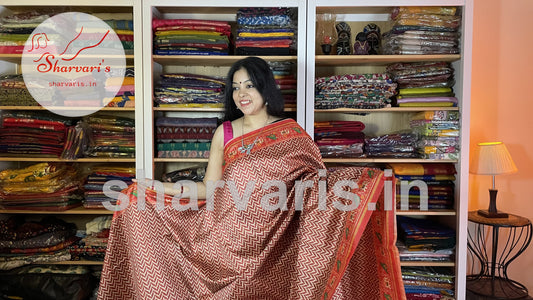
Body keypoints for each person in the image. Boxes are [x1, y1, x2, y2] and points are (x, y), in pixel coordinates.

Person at [98, 57, 405, 300]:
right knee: (138, 207)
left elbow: (315, 186)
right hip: (221, 240)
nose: (241, 94)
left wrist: (362, 182)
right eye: (235, 87)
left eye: (249, 86)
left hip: (275, 247)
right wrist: (156, 186)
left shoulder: (292, 133)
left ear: (265, 88)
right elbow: (209, 188)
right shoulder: (225, 132)